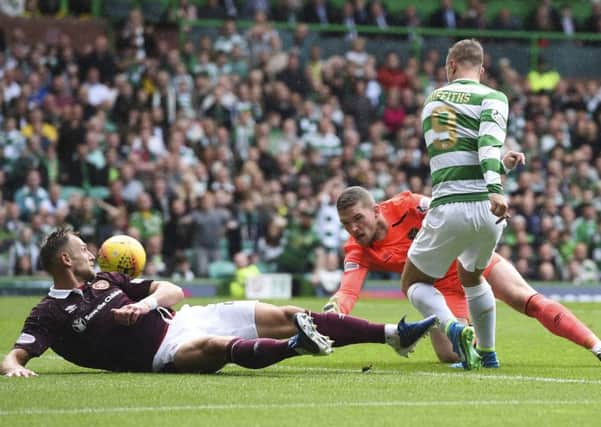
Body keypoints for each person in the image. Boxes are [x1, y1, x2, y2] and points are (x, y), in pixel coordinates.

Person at [1, 228, 437, 377]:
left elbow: (172, 290)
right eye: (82, 249)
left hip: (182, 318)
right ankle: (295, 347)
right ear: (65, 259)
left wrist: (144, 306)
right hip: (162, 354)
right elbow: (12, 356)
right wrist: (16, 365)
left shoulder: (107, 280)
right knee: (212, 348)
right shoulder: (50, 312)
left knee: (287, 314)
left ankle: (393, 335)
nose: (90, 253)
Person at [323, 186, 601, 366]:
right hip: (442, 291)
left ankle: (595, 345)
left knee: (526, 299)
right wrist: (336, 309)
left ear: (374, 210)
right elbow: (348, 291)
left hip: (469, 261)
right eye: (346, 224)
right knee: (449, 355)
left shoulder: (407, 205)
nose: (354, 229)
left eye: (357, 218)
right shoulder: (356, 249)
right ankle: (480, 343)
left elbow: (449, 211)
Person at [398, 38, 510, 370]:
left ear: (451, 66)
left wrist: (495, 176)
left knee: (413, 283)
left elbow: (454, 155)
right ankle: (487, 354)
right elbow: (486, 145)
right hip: (489, 212)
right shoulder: (493, 97)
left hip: (450, 206)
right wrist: (497, 181)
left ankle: (453, 327)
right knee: (472, 276)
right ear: (482, 68)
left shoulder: (432, 101)